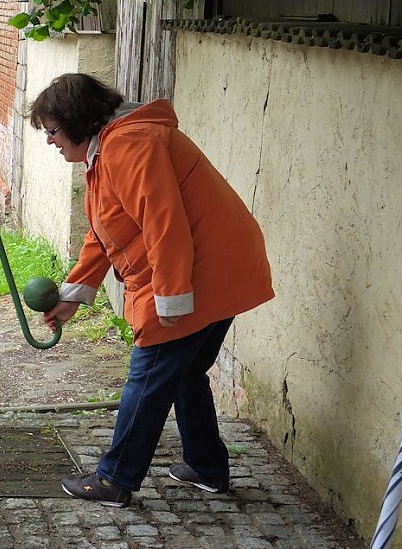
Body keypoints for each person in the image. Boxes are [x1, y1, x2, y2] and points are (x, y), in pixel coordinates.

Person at [31, 73, 274, 507]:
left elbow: (165, 224)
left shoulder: (128, 146)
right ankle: (206, 467)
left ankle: (114, 479)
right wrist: (75, 292)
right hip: (220, 265)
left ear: (77, 120)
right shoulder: (109, 150)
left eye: (52, 130)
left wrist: (171, 299)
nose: (50, 141)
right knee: (184, 371)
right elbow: (107, 229)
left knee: (148, 376)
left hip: (204, 273)